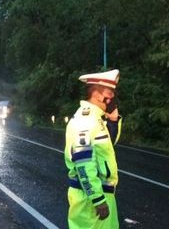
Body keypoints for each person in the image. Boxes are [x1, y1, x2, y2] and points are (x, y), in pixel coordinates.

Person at [65, 69, 122, 229]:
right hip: (90, 197)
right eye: (109, 92)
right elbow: (83, 164)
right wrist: (97, 199)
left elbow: (108, 144)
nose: (112, 97)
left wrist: (113, 120)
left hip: (101, 193)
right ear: (96, 94)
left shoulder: (96, 119)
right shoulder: (86, 121)